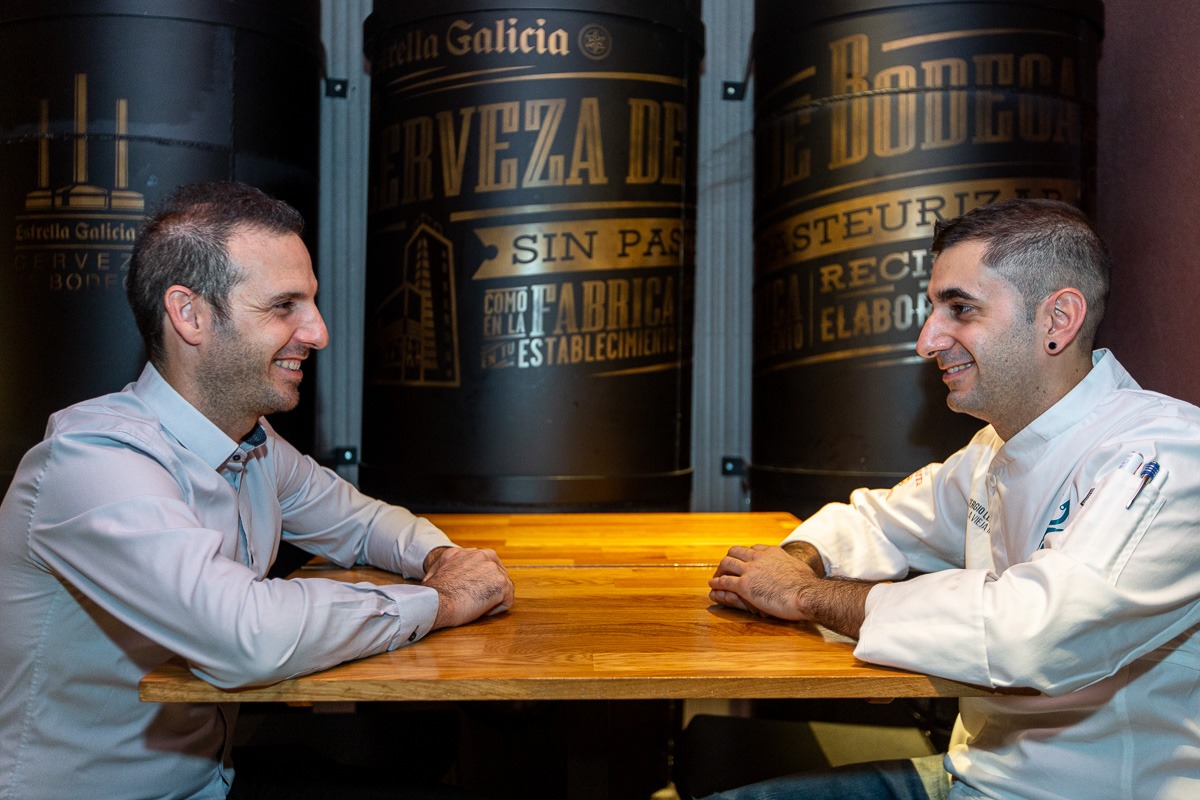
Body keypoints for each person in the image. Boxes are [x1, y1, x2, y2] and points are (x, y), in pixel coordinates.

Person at [0, 181, 515, 800]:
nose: (318, 332)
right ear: (189, 315)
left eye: (312, 303)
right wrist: (441, 602)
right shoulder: (95, 459)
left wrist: (439, 557)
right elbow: (246, 638)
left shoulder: (252, 441)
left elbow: (361, 521)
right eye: (283, 306)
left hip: (210, 780)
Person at [705, 198, 1200, 800]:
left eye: (960, 309)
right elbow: (877, 521)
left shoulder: (1165, 455)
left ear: (1058, 320)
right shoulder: (996, 445)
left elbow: (1034, 635)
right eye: (934, 308)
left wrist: (804, 595)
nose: (926, 341)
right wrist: (800, 560)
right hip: (971, 774)